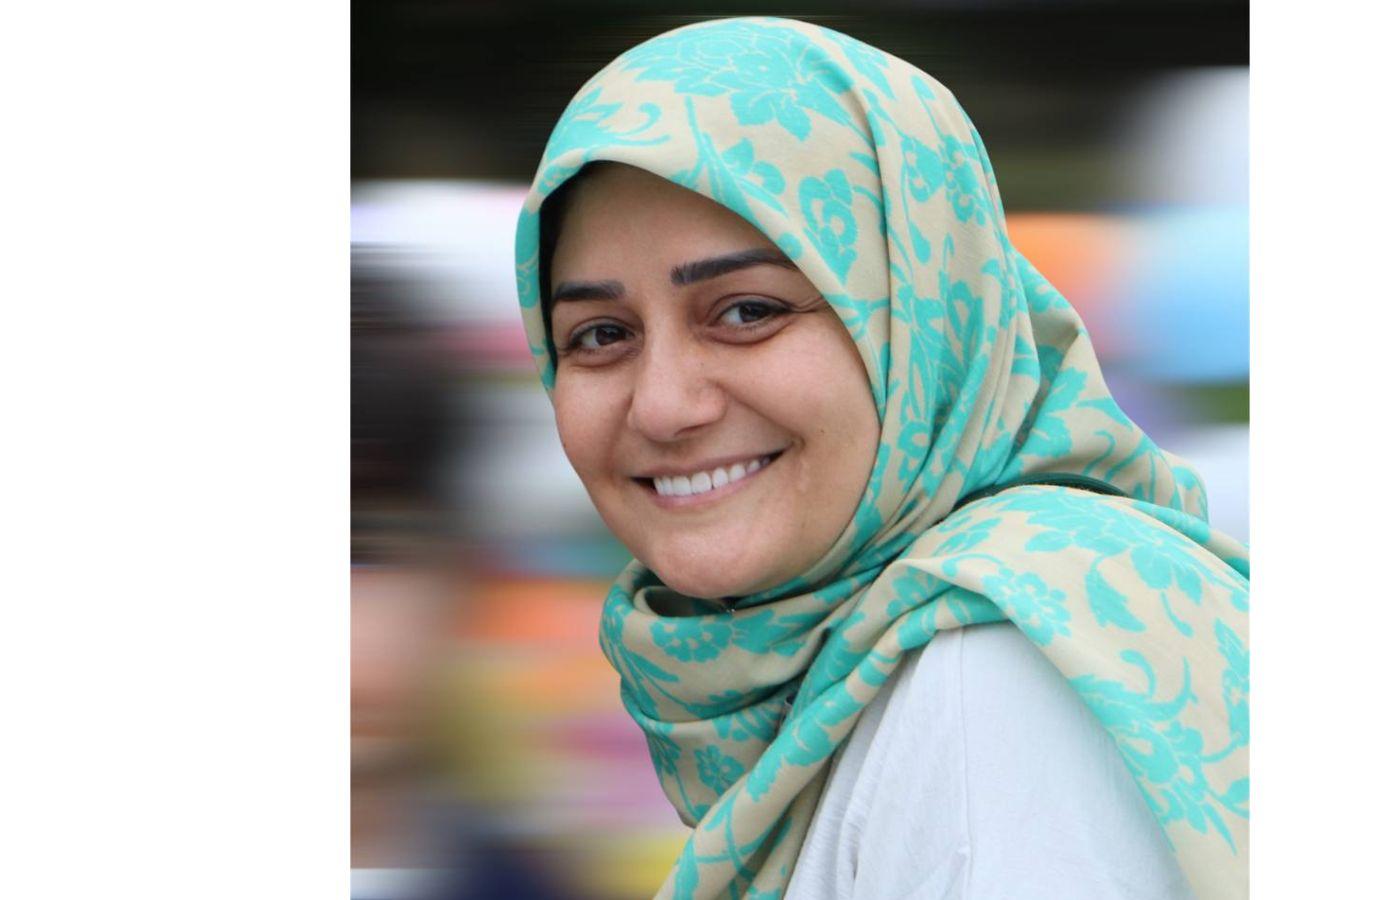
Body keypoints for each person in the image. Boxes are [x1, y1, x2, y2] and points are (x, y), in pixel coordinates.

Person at [513, 17, 1249, 900]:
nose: (664, 406)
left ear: (920, 320)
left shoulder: (991, 671)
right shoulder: (867, 665)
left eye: (747, 312)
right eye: (600, 335)